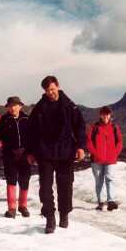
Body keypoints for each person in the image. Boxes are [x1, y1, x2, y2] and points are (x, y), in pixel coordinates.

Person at [26, 76, 86, 234]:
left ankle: (64, 215)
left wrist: (80, 146)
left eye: (52, 89)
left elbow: (79, 126)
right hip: (45, 152)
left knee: (65, 186)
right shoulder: (39, 108)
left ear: (58, 86)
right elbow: (31, 132)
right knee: (45, 188)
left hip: (66, 152)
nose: (50, 93)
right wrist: (30, 152)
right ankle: (49, 218)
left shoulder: (69, 106)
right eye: (47, 91)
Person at [0, 96, 31, 218]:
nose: (13, 108)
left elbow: (33, 137)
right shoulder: (3, 120)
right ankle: (11, 208)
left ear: (20, 106)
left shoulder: (27, 119)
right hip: (9, 154)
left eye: (15, 105)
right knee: (11, 180)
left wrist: (32, 152)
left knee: (24, 180)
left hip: (25, 154)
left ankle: (23, 206)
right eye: (10, 106)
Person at [86, 106, 123, 211]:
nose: (105, 116)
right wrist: (95, 153)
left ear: (110, 115)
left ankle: (111, 201)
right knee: (99, 181)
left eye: (107, 114)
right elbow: (89, 141)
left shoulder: (114, 127)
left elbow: (119, 141)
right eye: (103, 114)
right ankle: (101, 202)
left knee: (110, 179)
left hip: (110, 159)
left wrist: (115, 153)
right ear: (100, 115)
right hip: (97, 159)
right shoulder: (94, 127)